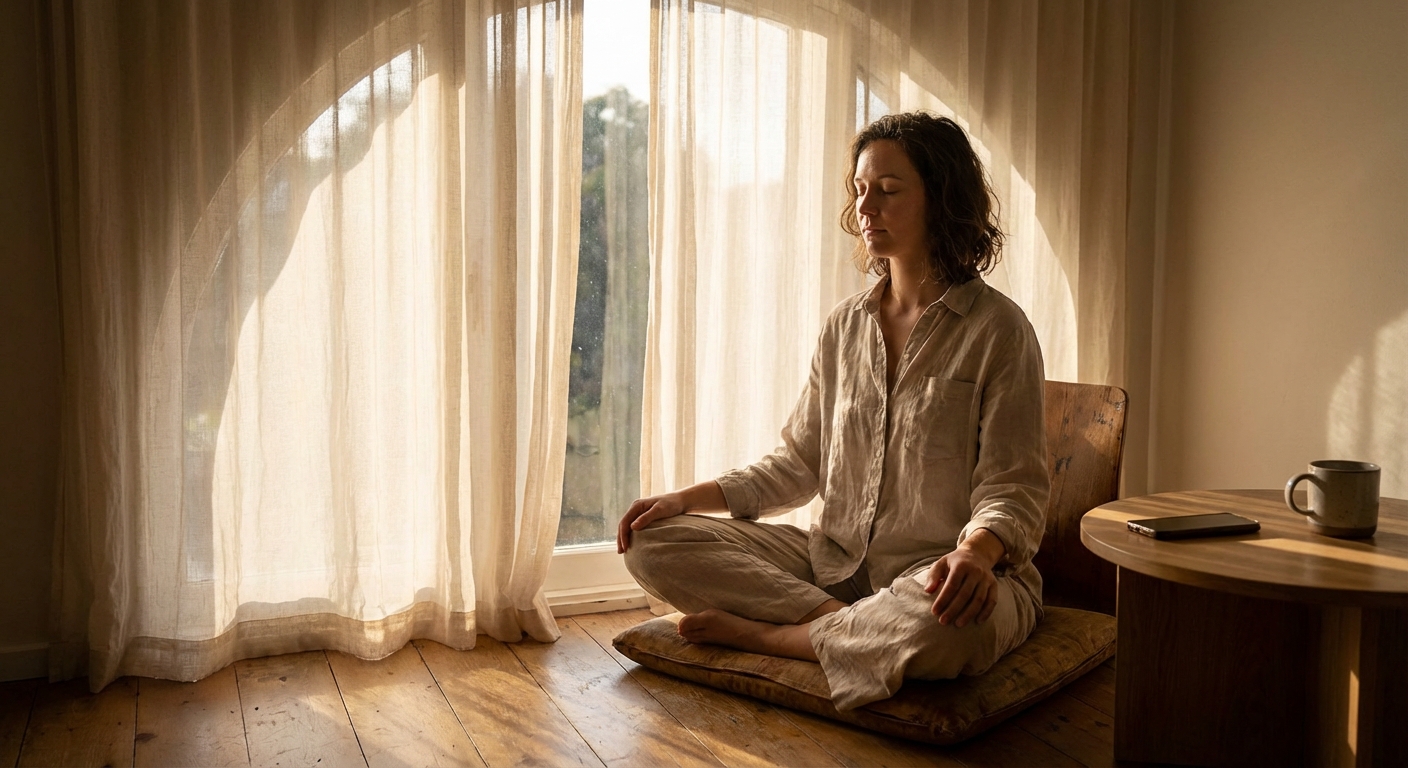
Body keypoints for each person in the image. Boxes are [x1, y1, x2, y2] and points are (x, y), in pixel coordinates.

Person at [616, 112, 1049, 711]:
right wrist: (685, 500)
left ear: (942, 199)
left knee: (946, 629)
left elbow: (1015, 486)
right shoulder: (845, 325)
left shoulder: (1000, 330)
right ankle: (844, 628)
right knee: (649, 541)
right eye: (861, 190)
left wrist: (976, 552)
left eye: (889, 191)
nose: (865, 207)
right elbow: (798, 462)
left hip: (948, 576)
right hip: (835, 567)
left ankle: (775, 637)